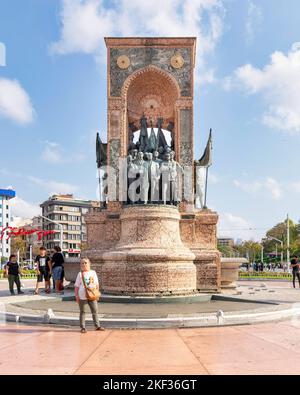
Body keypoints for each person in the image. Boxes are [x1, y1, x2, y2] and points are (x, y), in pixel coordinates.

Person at [74, 258, 105, 333]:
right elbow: (76, 286)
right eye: (82, 263)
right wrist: (76, 296)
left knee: (95, 311)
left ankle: (97, 326)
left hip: (92, 295)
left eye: (85, 263)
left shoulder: (93, 272)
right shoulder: (80, 274)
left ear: (89, 264)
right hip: (82, 296)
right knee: (83, 312)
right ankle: (83, 327)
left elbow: (97, 284)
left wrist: (97, 294)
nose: (84, 264)